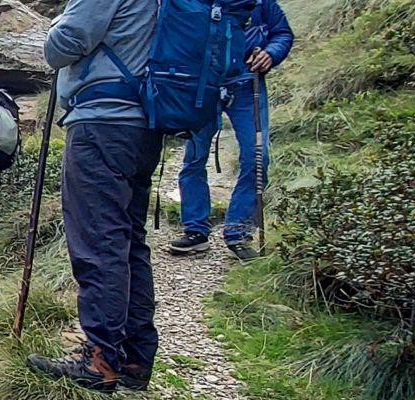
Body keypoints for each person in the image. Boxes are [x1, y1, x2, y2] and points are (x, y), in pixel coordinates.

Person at [24, 0, 160, 392]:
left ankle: (99, 359)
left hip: (101, 123)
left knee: (99, 241)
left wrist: (56, 25)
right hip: (143, 125)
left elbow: (62, 45)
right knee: (130, 241)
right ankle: (135, 357)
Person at [168, 0, 295, 260]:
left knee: (257, 157)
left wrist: (271, 53)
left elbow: (281, 32)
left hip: (248, 85)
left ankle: (238, 231)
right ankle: (195, 230)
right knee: (194, 158)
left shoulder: (260, 2)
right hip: (202, 87)